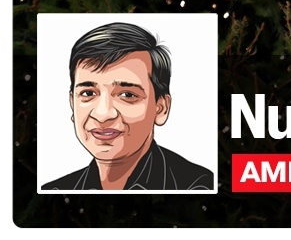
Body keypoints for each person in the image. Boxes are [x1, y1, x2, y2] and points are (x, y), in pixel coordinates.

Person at [41, 21, 214, 191]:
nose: (103, 114)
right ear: (72, 103)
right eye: (88, 93)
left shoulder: (196, 186)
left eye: (127, 95)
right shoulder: (56, 191)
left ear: (160, 108)